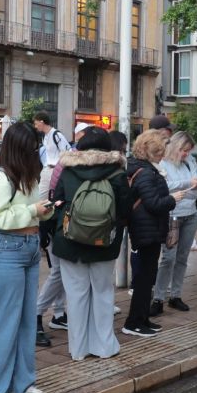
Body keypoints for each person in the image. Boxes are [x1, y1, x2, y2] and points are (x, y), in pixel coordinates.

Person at [0, 122, 54, 393]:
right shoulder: (0, 177)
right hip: (6, 248)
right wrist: (33, 210)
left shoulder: (25, 175)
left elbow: (21, 213)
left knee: (26, 321)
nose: (37, 153)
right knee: (1, 322)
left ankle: (22, 382)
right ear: (20, 149)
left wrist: (41, 212)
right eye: (33, 148)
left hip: (27, 247)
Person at [49, 127, 135, 358]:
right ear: (109, 148)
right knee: (103, 292)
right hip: (105, 243)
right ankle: (104, 346)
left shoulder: (68, 170)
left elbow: (55, 201)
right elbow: (126, 210)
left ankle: (79, 349)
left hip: (69, 241)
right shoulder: (117, 172)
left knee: (76, 295)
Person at [124, 129, 176, 335]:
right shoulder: (145, 172)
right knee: (144, 279)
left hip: (148, 229)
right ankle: (134, 322)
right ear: (148, 151)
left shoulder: (143, 168)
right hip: (147, 230)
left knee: (147, 278)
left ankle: (142, 319)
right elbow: (154, 203)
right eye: (158, 153)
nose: (161, 156)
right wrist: (174, 199)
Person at [156, 130, 197, 312]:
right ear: (175, 146)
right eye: (184, 150)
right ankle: (158, 297)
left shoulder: (189, 163)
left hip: (191, 214)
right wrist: (187, 184)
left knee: (182, 257)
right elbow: (165, 188)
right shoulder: (162, 163)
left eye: (188, 150)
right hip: (172, 216)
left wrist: (186, 189)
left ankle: (175, 295)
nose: (186, 154)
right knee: (168, 257)